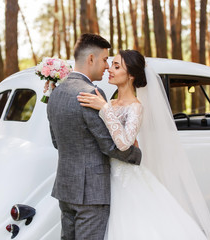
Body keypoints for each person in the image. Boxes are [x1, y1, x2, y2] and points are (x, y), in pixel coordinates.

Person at [77, 50, 210, 239]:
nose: (110, 69)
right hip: (103, 175)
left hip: (125, 179)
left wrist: (104, 109)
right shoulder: (109, 102)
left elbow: (124, 144)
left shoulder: (135, 107)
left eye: (117, 66)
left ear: (131, 75)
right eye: (111, 64)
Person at [46, 34, 142, 239]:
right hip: (91, 192)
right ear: (91, 59)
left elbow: (56, 141)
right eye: (105, 60)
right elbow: (108, 145)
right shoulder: (92, 93)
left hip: (65, 188)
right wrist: (136, 155)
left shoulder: (56, 92)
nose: (107, 66)